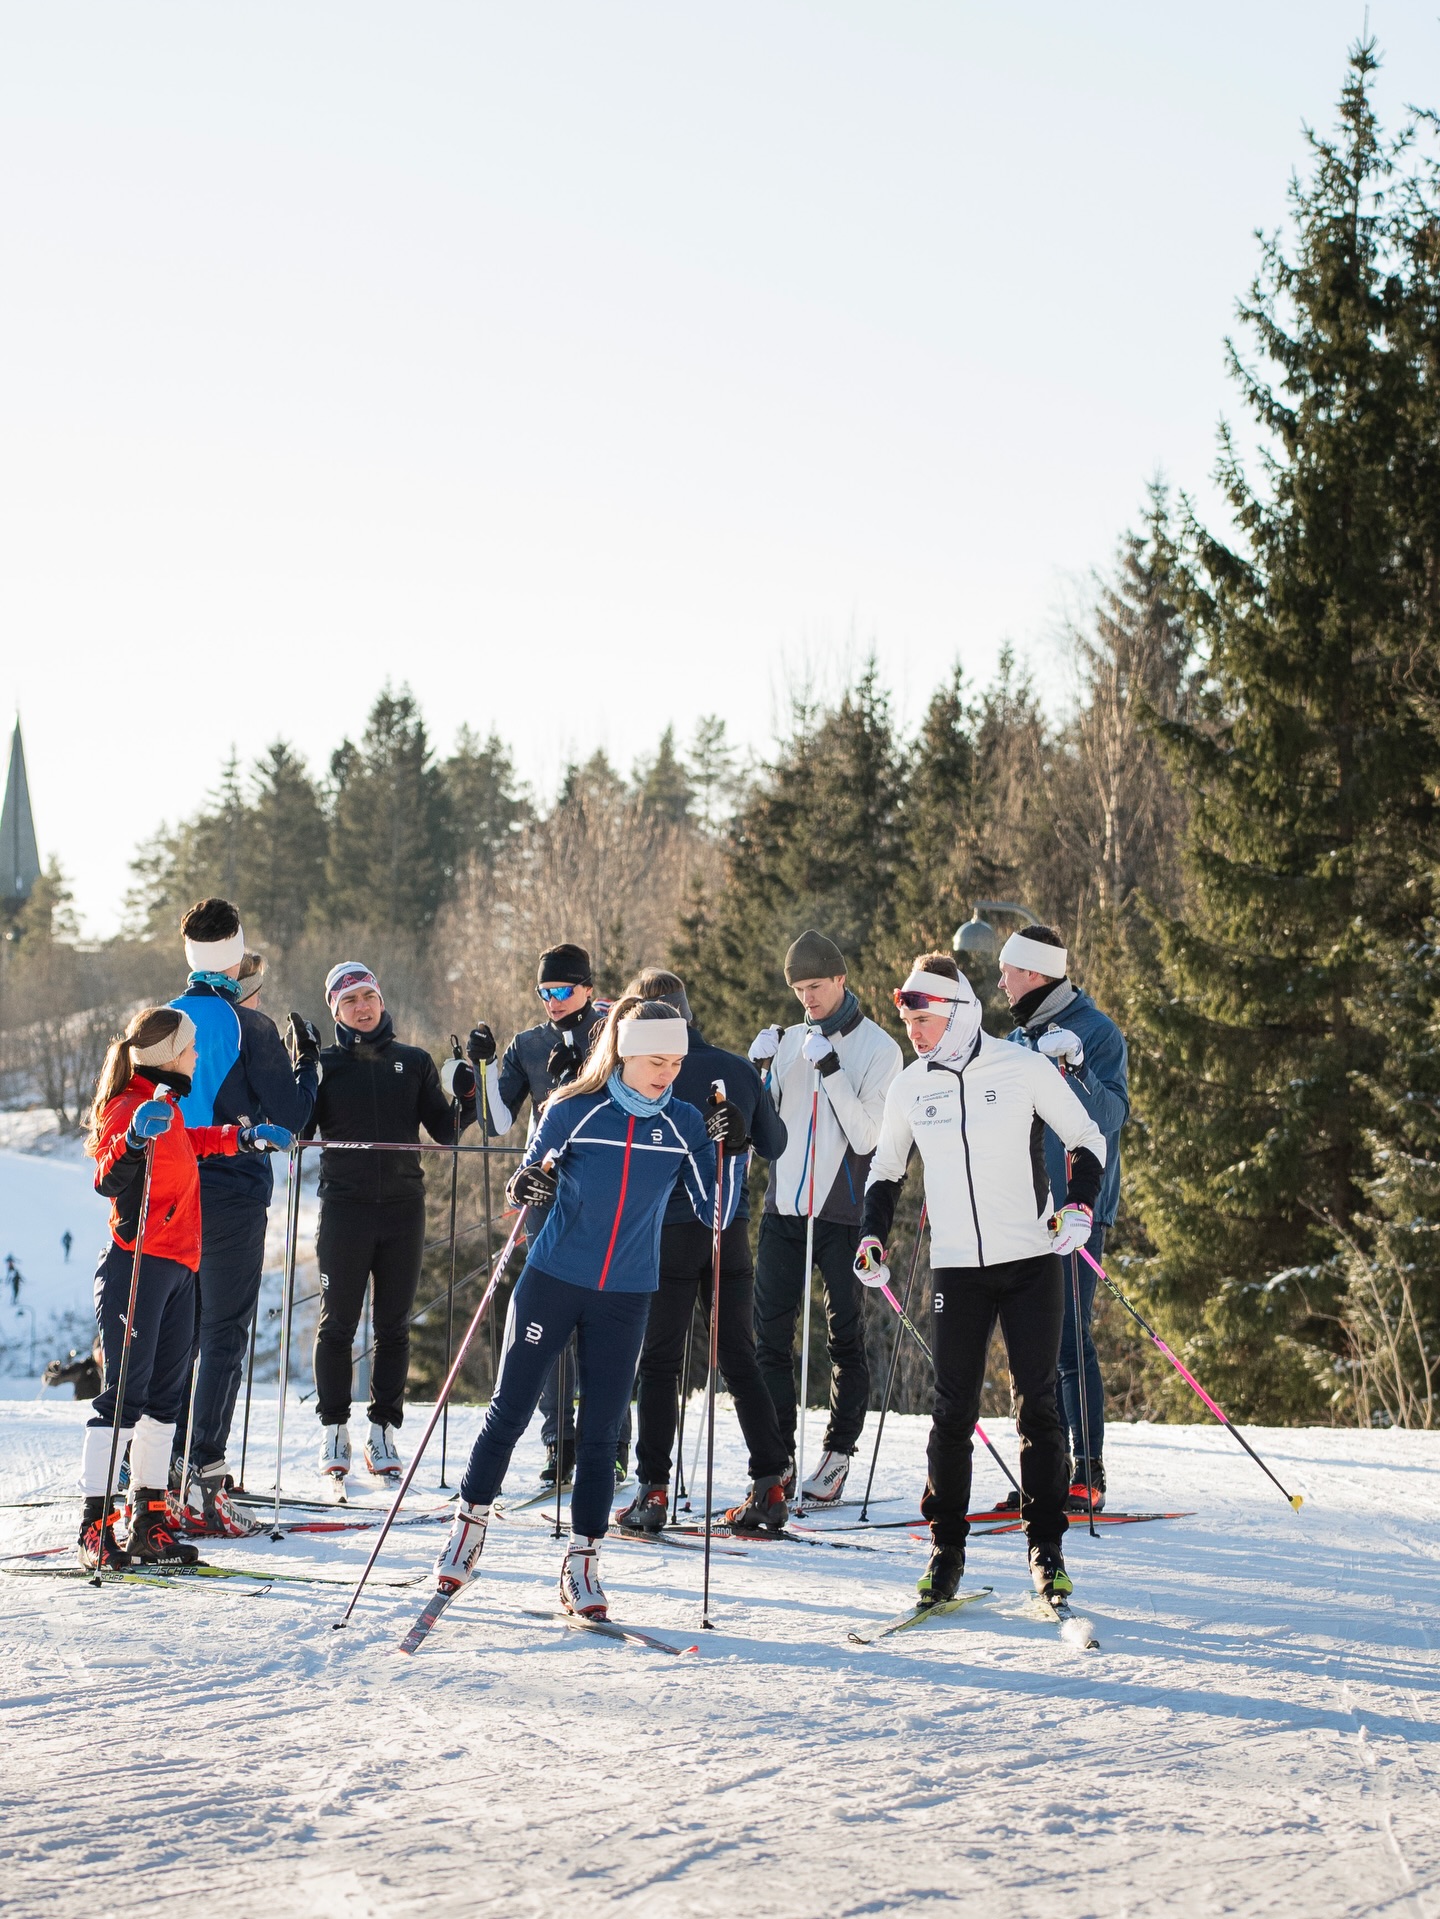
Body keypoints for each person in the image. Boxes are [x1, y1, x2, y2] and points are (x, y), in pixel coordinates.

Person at [433, 998, 746, 1618]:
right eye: (656, 1060)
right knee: (512, 1410)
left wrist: (728, 1150)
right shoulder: (573, 1107)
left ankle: (583, 1562)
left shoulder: (686, 1122)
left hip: (627, 1294)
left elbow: (716, 1215)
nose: (667, 1073)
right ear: (625, 1052)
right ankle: (468, 1526)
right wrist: (528, 1185)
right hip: (554, 1281)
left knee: (602, 1433)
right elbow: (526, 1178)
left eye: (676, 1062)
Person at [856, 955, 1106, 1610]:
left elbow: (1086, 1137)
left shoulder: (1020, 1068)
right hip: (957, 1269)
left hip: (1029, 1262)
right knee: (951, 1410)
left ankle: (1046, 1549)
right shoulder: (911, 1086)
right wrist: (869, 1235)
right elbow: (885, 1170)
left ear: (959, 1012)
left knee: (1039, 1404)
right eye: (907, 1021)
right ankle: (947, 1552)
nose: (914, 1032)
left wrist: (1079, 1204)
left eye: (924, 1019)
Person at [80, 1006, 291, 1570]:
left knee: (165, 1401)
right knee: (125, 1397)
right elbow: (107, 1177)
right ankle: (96, 1526)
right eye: (191, 1047)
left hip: (180, 1269)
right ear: (169, 1054)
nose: (197, 1055)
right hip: (137, 1268)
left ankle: (149, 1520)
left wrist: (239, 1139)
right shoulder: (132, 1107)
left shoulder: (168, 1109)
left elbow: (190, 1143)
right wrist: (128, 1139)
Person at [615, 968, 791, 1535]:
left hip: (664, 1230)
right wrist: (743, 1111)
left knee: (661, 1360)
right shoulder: (736, 1068)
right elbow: (776, 1144)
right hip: (727, 1227)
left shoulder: (643, 1075)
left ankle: (653, 1491)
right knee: (739, 1354)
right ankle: (769, 1482)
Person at [170, 906, 317, 1536]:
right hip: (228, 1192)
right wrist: (306, 1064)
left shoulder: (161, 1019)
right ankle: (205, 1474)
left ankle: (153, 1471)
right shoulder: (248, 1026)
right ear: (234, 960)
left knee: (172, 1331)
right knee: (221, 1333)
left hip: (168, 1191)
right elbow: (289, 1123)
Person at [306, 961, 476, 1488]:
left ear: (381, 1000)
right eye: (350, 1000)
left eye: (369, 997)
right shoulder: (326, 1065)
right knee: (337, 1325)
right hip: (345, 1209)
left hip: (403, 1209)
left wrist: (468, 1093)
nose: (363, 1007)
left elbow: (446, 1133)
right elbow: (299, 1128)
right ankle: (335, 1429)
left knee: (393, 1327)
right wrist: (299, 1070)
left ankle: (383, 1430)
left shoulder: (414, 1060)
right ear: (336, 1009)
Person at [748, 930, 902, 1504]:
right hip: (785, 1209)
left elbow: (867, 1135)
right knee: (769, 1340)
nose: (807, 999)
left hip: (843, 1213)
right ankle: (778, 1457)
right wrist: (759, 1069)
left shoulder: (880, 1049)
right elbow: (764, 1135)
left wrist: (832, 1068)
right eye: (797, 989)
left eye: (815, 986)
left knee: (844, 1337)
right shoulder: (789, 1040)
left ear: (841, 979)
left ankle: (837, 1454)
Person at [468, 941, 615, 1486]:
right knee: (547, 1320)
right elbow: (497, 1120)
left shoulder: (611, 1033)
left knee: (600, 1316)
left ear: (588, 989)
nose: (552, 1001)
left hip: (601, 1190)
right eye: (544, 992)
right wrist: (483, 1065)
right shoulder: (528, 1044)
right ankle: (560, 1442)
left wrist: (583, 1073)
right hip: (546, 1192)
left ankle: (611, 1441)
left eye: (563, 990)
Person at [999, 925, 1129, 1512]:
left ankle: (1087, 1473)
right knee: (1030, 1349)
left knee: (1070, 1342)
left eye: (1009, 971)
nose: (1001, 982)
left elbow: (1109, 1116)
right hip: (1020, 1210)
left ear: (1035, 973)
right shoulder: (1014, 1038)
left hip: (1076, 1207)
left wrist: (1075, 1065)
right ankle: (1042, 1469)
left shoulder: (1098, 1033)